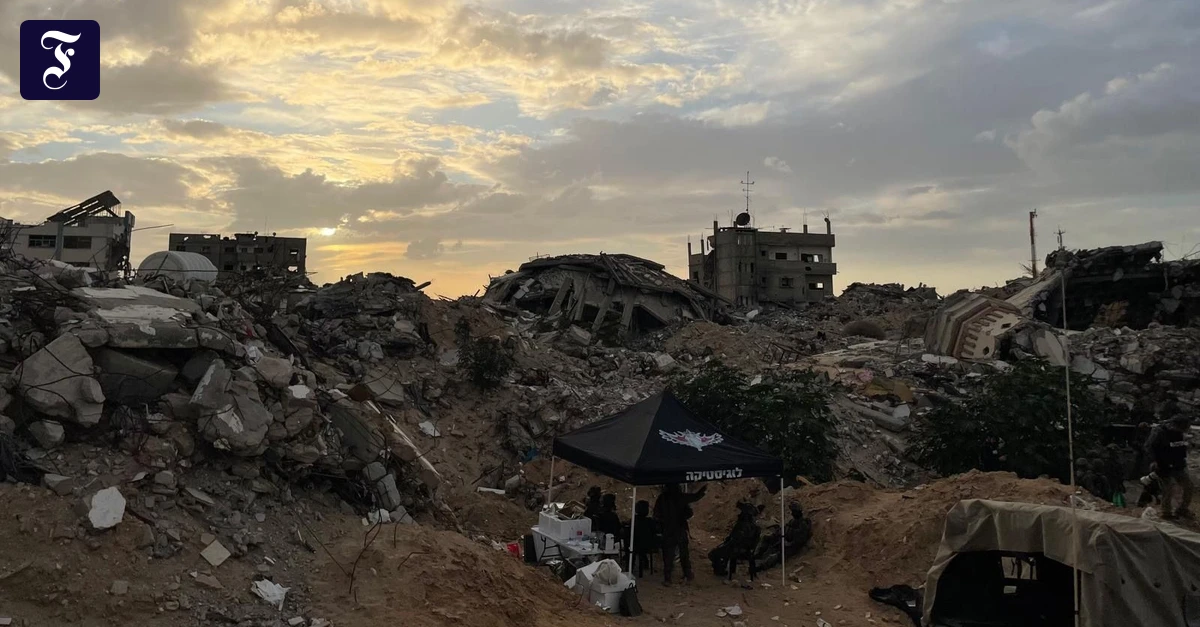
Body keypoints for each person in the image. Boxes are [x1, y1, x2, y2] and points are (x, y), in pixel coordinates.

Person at [654, 482, 707, 585]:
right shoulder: (681, 497)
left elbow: (656, 514)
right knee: (684, 553)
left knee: (668, 555)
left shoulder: (662, 498)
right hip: (680, 528)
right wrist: (704, 489)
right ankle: (687, 574)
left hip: (667, 530)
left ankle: (668, 578)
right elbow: (695, 498)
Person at [1145, 409, 1192, 519]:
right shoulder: (1159, 432)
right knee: (1168, 488)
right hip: (1162, 464)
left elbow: (1179, 446)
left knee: (1188, 486)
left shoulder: (1178, 433)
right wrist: (1154, 461)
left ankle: (1182, 509)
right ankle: (1166, 512)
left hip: (1177, 463)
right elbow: (1149, 447)